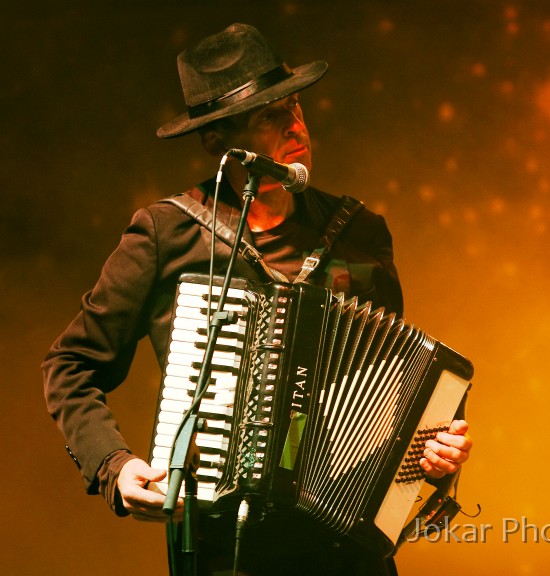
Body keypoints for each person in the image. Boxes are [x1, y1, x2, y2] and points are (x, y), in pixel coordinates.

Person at [43, 23, 472, 576]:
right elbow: (69, 365)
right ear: (218, 141)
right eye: (270, 116)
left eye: (295, 106)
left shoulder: (360, 231)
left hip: (348, 548)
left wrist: (435, 455)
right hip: (225, 550)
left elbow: (398, 389)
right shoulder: (165, 234)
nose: (297, 126)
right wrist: (115, 467)